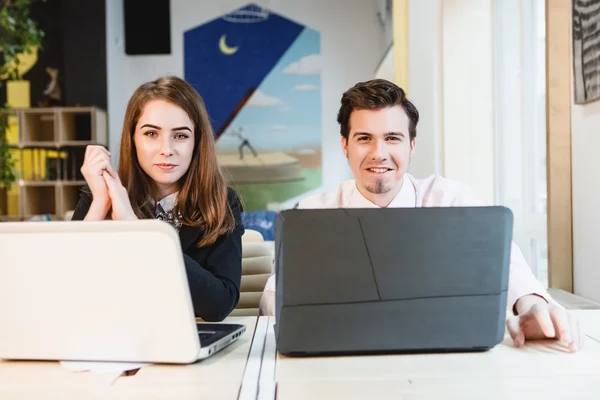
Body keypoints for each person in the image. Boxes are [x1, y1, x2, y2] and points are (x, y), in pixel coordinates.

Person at [259, 79, 582, 351]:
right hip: (337, 354)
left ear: (411, 145)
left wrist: (532, 306)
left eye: (392, 138)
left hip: (443, 355)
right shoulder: (314, 212)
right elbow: (274, 295)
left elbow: (507, 266)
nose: (378, 153)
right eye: (364, 139)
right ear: (345, 145)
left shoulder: (452, 199)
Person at [72, 76, 244, 322]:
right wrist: (101, 203)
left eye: (181, 136)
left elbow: (219, 305)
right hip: (110, 340)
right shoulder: (99, 196)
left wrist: (137, 229)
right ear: (132, 139)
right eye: (151, 134)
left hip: (186, 342)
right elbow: (67, 289)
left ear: (197, 142)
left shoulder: (221, 201)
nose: (166, 149)